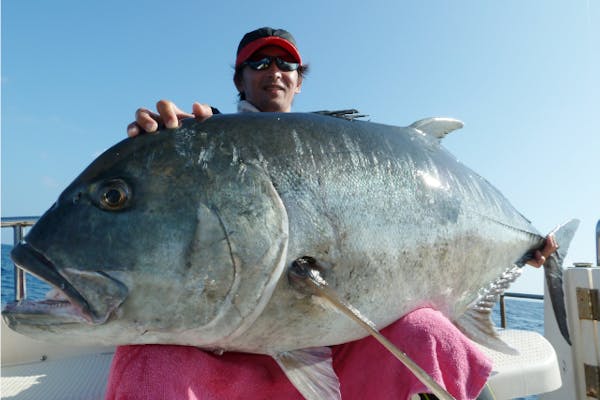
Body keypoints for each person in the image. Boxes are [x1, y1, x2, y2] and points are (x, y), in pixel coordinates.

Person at [107, 27, 558, 400]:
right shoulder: (196, 141)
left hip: (333, 334)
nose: (274, 72)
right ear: (240, 80)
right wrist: (157, 148)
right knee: (148, 365)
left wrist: (528, 250)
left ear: (299, 81)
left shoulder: (337, 147)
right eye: (259, 63)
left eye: (286, 64)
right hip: (234, 348)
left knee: (430, 333)